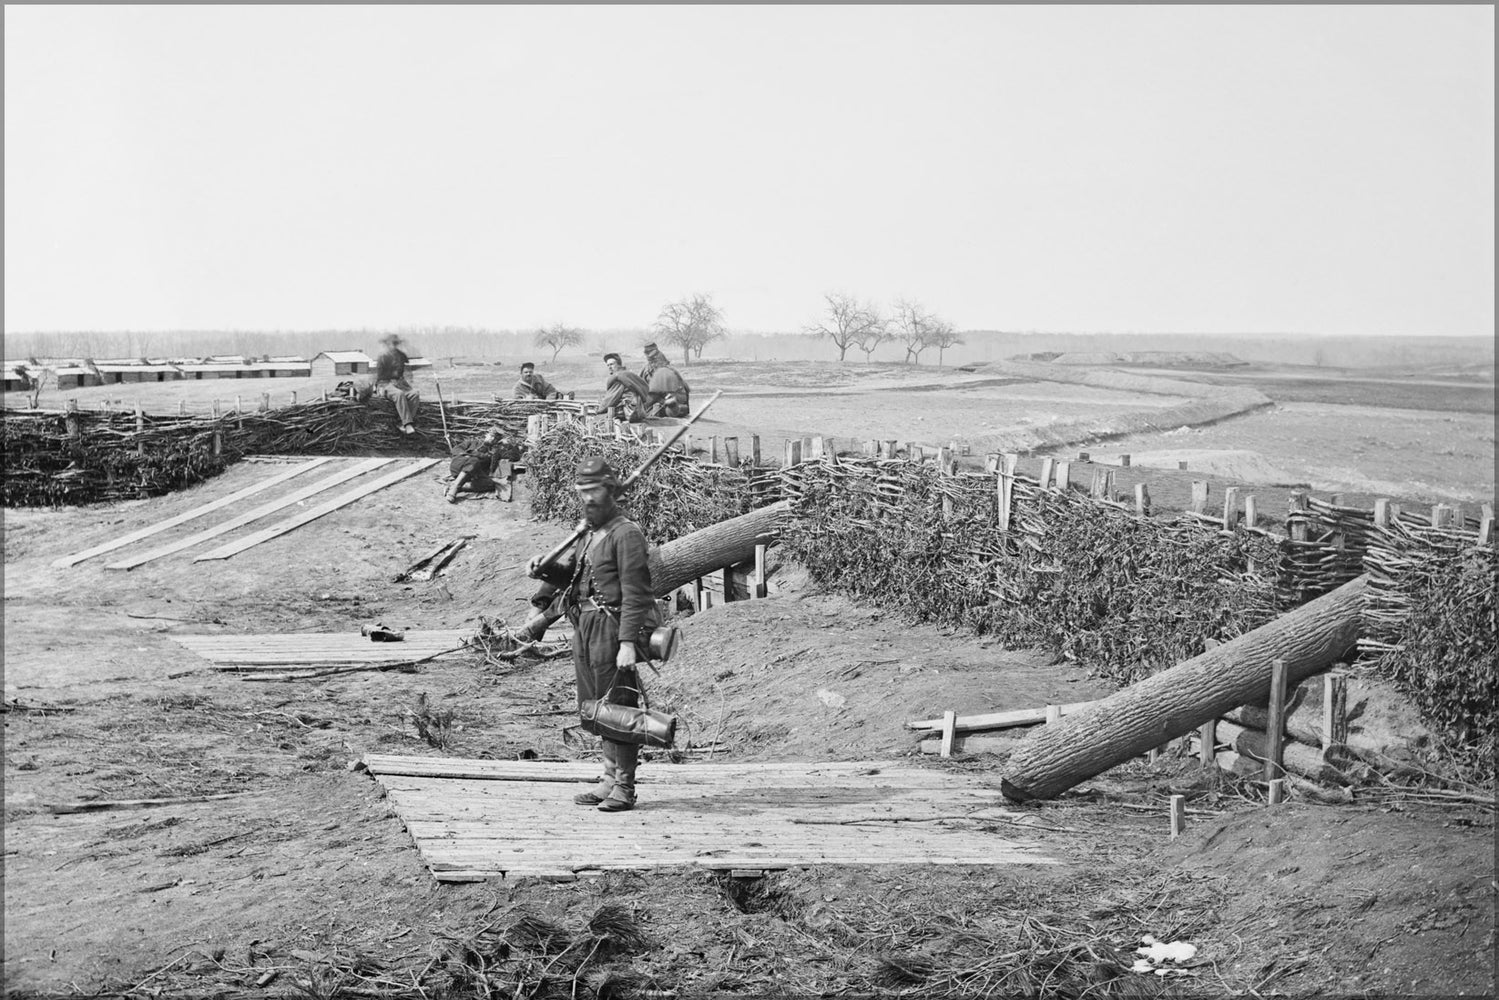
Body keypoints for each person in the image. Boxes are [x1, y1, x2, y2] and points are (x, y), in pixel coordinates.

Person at [526, 457, 659, 813]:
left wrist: (628, 643)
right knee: (596, 707)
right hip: (584, 626)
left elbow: (637, 593)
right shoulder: (587, 533)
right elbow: (574, 578)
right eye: (582, 491)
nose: (588, 498)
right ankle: (608, 779)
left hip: (612, 628)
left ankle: (625, 787)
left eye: (594, 490)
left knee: (619, 707)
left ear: (611, 490)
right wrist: (545, 569)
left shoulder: (626, 534)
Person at [361, 334, 422, 434]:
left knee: (414, 394)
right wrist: (375, 388)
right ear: (387, 344)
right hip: (385, 384)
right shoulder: (383, 356)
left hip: (399, 383)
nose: (393, 346)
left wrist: (405, 382)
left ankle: (401, 422)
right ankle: (407, 424)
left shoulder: (401, 356)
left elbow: (406, 371)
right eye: (391, 344)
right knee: (399, 394)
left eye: (395, 343)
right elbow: (378, 376)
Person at [445, 427, 524, 503]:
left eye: (495, 438)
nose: (492, 439)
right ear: (486, 435)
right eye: (491, 436)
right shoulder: (472, 442)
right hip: (458, 467)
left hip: (472, 475)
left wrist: (508, 445)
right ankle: (454, 489)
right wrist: (467, 455)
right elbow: (455, 450)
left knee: (491, 484)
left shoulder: (496, 452)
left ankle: (458, 487)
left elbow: (515, 457)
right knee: (474, 460)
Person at [639, 341, 691, 418]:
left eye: (653, 359)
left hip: (672, 404)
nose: (652, 363)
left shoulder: (666, 370)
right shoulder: (646, 369)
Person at [596, 352, 650, 424]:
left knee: (602, 418)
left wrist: (599, 410)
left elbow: (611, 398)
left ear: (619, 364)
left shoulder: (619, 378)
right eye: (608, 365)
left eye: (612, 364)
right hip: (639, 410)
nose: (609, 367)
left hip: (629, 412)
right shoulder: (628, 375)